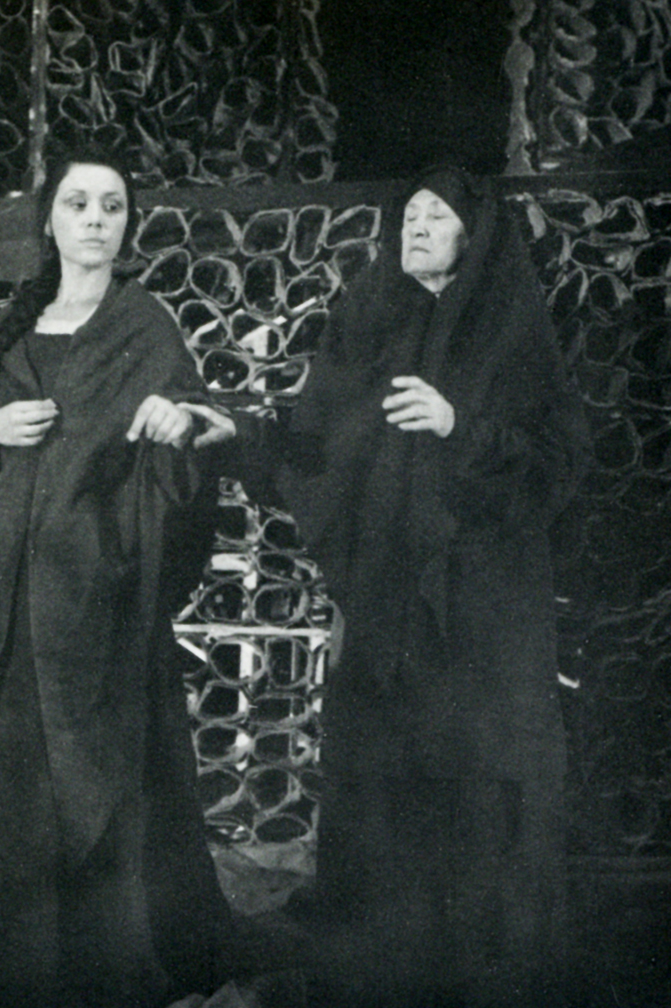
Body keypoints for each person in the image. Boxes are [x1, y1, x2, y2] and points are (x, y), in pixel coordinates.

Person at [0, 145, 238, 1008]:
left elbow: (196, 437)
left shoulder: (144, 325)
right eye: (78, 204)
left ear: (127, 224)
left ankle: (88, 971)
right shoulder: (16, 324)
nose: (94, 220)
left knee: (95, 784)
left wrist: (180, 422)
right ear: (49, 219)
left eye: (111, 207)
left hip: (95, 603)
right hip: (4, 601)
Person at [266, 167, 592, 1006]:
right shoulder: (371, 319)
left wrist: (460, 427)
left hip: (488, 614)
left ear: (472, 237)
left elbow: (560, 464)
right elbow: (311, 446)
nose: (415, 226)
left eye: (437, 215)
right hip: (388, 604)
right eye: (408, 214)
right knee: (383, 782)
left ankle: (483, 971)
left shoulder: (511, 332)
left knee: (481, 781)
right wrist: (236, 438)